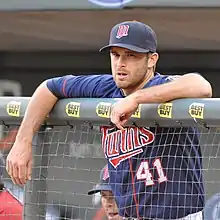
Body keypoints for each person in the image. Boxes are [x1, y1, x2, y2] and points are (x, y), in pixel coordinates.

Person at [6, 20, 212, 219]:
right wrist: (23, 142)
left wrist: (137, 99)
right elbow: (48, 88)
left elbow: (201, 86)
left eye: (131, 55)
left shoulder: (164, 85)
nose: (121, 63)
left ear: (152, 59)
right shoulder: (104, 87)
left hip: (180, 215)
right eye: (115, 55)